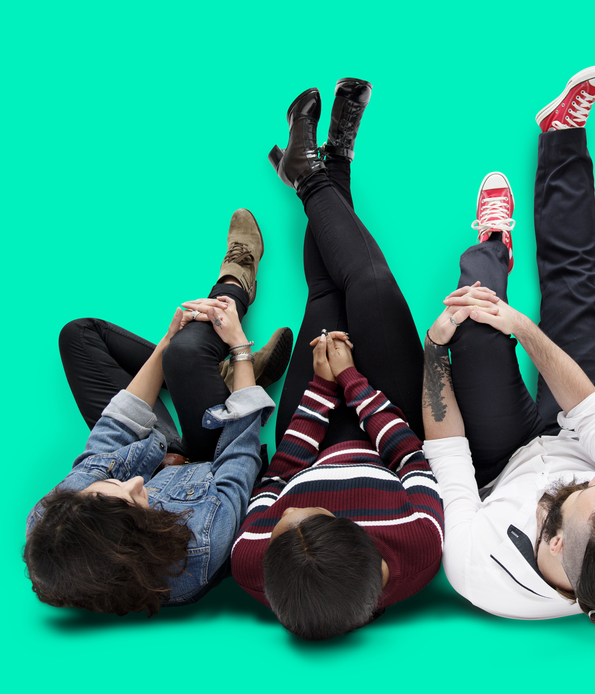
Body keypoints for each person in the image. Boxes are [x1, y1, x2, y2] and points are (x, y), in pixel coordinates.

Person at [421, 65, 595, 622]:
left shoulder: (475, 567)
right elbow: (593, 415)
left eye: (593, 489)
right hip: (577, 428)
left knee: (471, 321)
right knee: (573, 289)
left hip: (499, 460)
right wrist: (523, 327)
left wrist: (435, 350)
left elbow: (449, 455)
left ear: (556, 541)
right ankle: (562, 133)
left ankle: (492, 243)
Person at [230, 80, 444, 640]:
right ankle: (319, 170)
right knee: (369, 285)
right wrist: (350, 379)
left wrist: (321, 390)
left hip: (312, 435)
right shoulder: (417, 549)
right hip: (391, 425)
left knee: (326, 292)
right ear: (360, 535)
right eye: (309, 514)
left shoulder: (253, 563)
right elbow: (413, 461)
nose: (286, 512)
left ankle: (324, 167)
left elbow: (280, 476)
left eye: (282, 525)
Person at [24, 210, 289, 615]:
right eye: (135, 499)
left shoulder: (56, 523)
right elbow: (239, 453)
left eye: (112, 485)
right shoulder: (199, 546)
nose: (135, 480)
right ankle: (236, 279)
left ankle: (223, 379)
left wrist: (166, 341)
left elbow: (114, 431)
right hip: (213, 456)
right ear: (140, 543)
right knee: (187, 354)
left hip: (158, 446)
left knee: (80, 335)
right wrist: (238, 348)